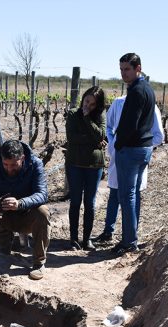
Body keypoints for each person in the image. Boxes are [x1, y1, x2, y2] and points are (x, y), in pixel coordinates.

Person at [0, 140, 50, 280]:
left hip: (27, 216)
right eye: (6, 165)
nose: (9, 169)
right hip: (4, 216)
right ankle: (6, 242)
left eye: (14, 165)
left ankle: (39, 262)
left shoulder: (36, 164)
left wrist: (21, 203)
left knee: (43, 212)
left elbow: (42, 194)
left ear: (23, 158)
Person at [95, 95, 164, 244]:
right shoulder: (119, 103)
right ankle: (108, 231)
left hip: (136, 157)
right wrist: (113, 146)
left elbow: (159, 136)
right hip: (119, 154)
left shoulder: (150, 106)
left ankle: (130, 235)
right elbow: (108, 126)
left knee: (133, 195)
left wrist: (142, 146)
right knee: (114, 193)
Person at [112, 52, 157, 255]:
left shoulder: (137, 91)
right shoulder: (147, 88)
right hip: (144, 148)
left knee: (127, 195)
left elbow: (130, 122)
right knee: (134, 194)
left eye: (127, 69)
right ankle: (132, 237)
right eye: (121, 69)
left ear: (138, 68)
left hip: (131, 149)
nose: (123, 73)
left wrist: (119, 143)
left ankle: (129, 241)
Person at [64, 86, 106, 250]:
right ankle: (73, 238)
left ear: (98, 105)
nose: (87, 105)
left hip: (94, 166)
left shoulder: (100, 116)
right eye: (87, 100)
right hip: (75, 163)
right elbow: (71, 138)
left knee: (90, 202)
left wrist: (88, 119)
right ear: (83, 98)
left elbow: (101, 136)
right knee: (75, 201)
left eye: (92, 104)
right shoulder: (73, 114)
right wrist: (94, 140)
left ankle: (87, 239)